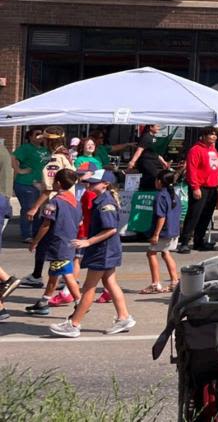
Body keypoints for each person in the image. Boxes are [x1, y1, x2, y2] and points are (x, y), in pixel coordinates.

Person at [50, 168, 135, 337]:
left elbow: (110, 229)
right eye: (90, 182)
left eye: (94, 182)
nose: (90, 184)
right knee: (110, 283)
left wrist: (87, 242)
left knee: (89, 287)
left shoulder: (106, 203)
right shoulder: (101, 199)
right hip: (106, 249)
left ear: (105, 184)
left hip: (104, 249)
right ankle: (124, 317)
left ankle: (74, 324)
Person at [25, 169, 83, 317]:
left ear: (57, 183)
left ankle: (80, 303)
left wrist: (35, 242)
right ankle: (44, 302)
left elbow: (46, 225)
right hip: (70, 241)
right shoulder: (75, 201)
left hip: (58, 243)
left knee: (66, 273)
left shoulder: (55, 202)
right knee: (54, 272)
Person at [179, 127, 218, 254]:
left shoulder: (214, 150)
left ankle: (199, 241)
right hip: (200, 187)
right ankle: (184, 242)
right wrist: (195, 187)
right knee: (194, 215)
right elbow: (192, 170)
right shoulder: (195, 150)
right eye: (211, 135)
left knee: (206, 216)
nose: (214, 137)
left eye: (215, 135)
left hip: (212, 187)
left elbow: (216, 168)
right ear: (203, 136)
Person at [141, 170, 181, 294]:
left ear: (159, 181)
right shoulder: (174, 194)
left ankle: (155, 283)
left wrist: (156, 234)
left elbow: (161, 216)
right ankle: (174, 281)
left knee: (151, 253)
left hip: (164, 231)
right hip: (173, 229)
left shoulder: (161, 196)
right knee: (165, 252)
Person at [12, 129, 48, 243]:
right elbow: (13, 157)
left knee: (38, 210)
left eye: (41, 134)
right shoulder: (25, 148)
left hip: (41, 184)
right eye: (37, 134)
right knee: (29, 208)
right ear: (30, 137)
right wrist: (19, 170)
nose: (40, 136)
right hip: (26, 183)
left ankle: (36, 233)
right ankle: (26, 234)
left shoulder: (46, 149)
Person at [127, 124, 171, 192]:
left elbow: (155, 153)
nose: (159, 128)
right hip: (146, 161)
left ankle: (150, 191)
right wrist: (132, 161)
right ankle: (143, 190)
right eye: (157, 126)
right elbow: (139, 150)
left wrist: (164, 162)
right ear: (151, 127)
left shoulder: (154, 138)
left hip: (154, 161)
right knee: (154, 176)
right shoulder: (146, 137)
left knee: (154, 177)